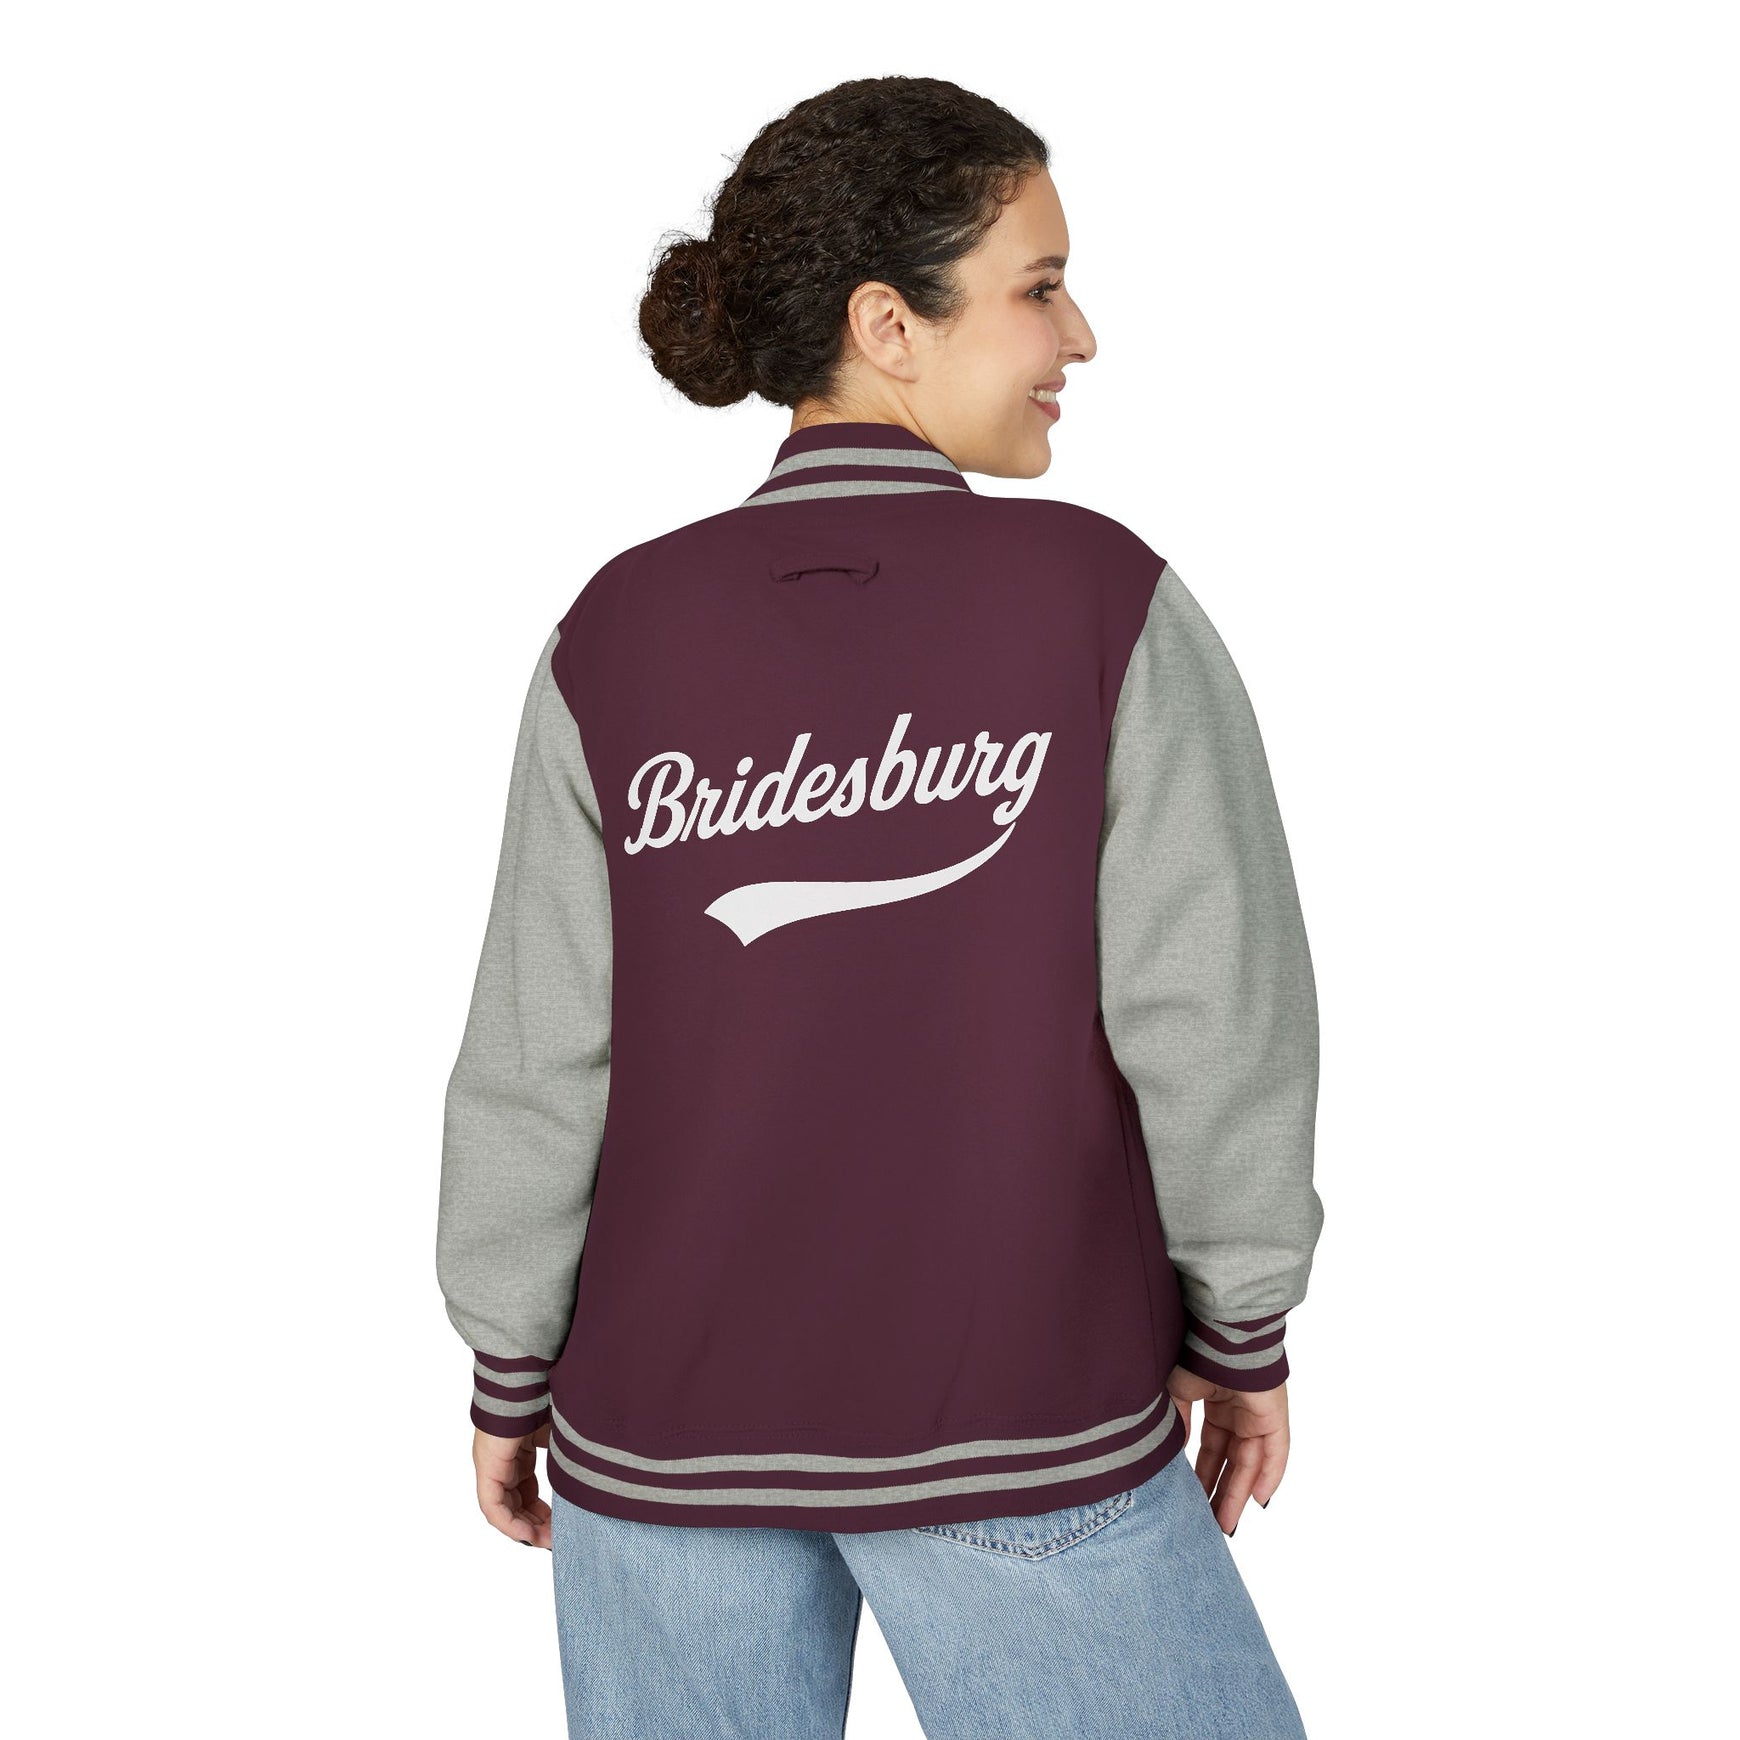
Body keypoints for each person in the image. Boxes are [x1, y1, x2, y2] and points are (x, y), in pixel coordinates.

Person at [436, 74, 1324, 1740]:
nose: (1080, 336)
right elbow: (1212, 1014)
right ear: (886, 325)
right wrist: (1244, 1321)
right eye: (1039, 287)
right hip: (1020, 1420)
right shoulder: (1102, 600)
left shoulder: (616, 630)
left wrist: (508, 1361)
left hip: (659, 1451)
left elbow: (540, 1054)